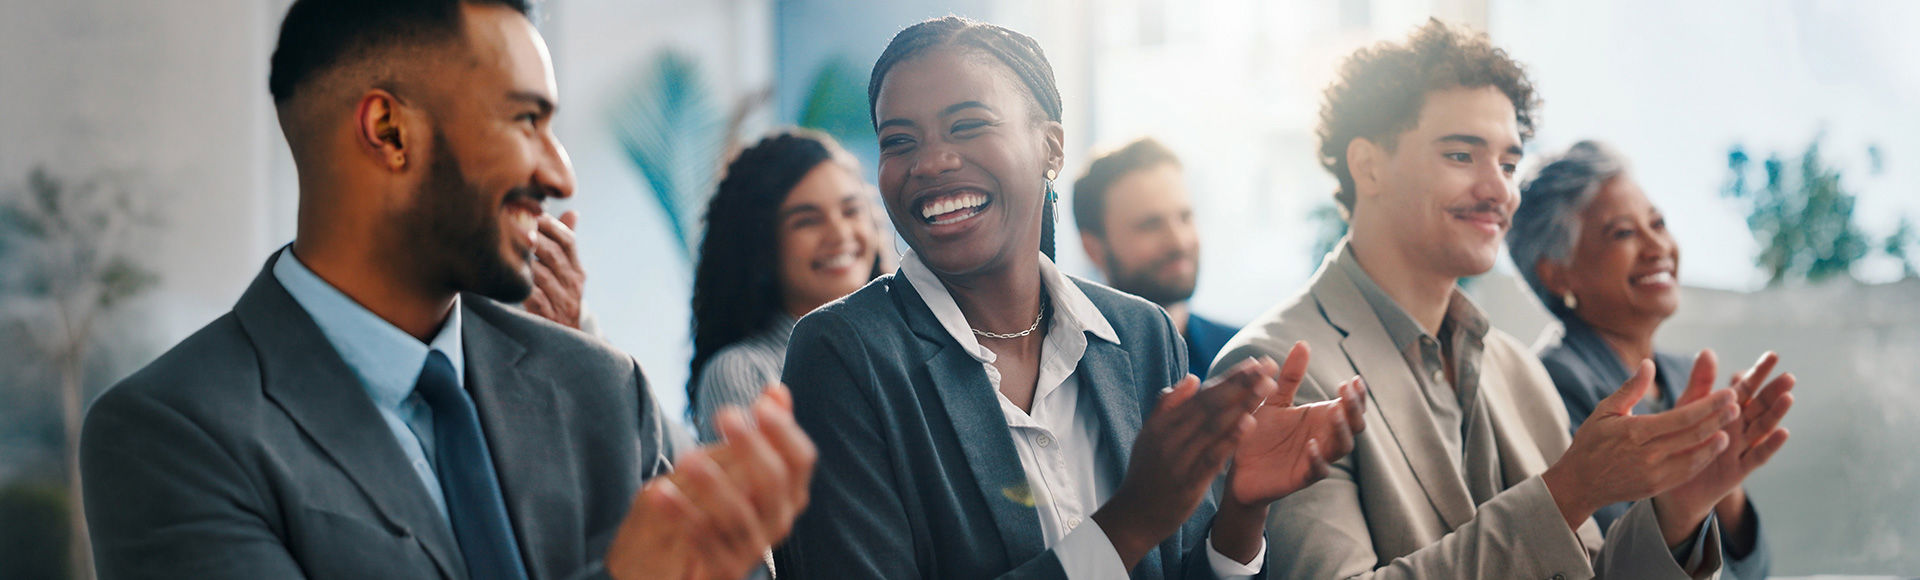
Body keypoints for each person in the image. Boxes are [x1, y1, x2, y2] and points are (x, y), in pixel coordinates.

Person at [79, 1, 814, 579]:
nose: (561, 176)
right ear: (390, 131)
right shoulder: (171, 433)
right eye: (526, 120)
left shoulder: (601, 389)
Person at [775, 16, 1367, 579]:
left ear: (1051, 149)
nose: (930, 162)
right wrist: (1130, 521)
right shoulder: (845, 353)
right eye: (898, 141)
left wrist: (1241, 513)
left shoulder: (1140, 334)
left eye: (967, 125)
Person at [1213, 19, 1794, 579]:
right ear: (1368, 166)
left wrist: (1680, 513)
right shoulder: (1276, 369)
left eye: (1509, 163)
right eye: (1462, 155)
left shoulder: (1518, 372)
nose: (1498, 190)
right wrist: (1568, 492)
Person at [1509, 140, 1779, 579]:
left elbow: (1755, 571)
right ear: (1556, 272)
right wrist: (1692, 498)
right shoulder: (1550, 384)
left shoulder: (1685, 376)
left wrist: (1726, 488)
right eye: (1623, 233)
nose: (1658, 246)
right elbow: (1611, 565)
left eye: (1658, 223)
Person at [688, 129, 885, 442]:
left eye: (851, 211)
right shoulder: (743, 371)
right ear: (761, 245)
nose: (839, 233)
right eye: (807, 220)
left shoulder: (908, 340)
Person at [1073, 137, 1239, 379]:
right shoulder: (1072, 376)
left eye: (1185, 217)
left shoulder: (1242, 357)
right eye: (1150, 225)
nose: (1179, 242)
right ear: (1093, 249)